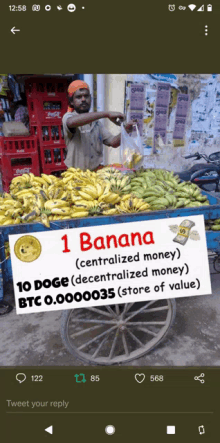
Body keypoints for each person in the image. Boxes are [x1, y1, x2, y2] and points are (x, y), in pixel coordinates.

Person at [62, 80, 136, 170]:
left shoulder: (96, 123)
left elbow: (113, 142)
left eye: (86, 96)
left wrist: (126, 130)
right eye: (78, 97)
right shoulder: (68, 117)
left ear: (90, 99)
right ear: (72, 102)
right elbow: (71, 122)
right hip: (75, 175)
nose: (83, 99)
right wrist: (106, 114)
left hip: (96, 174)